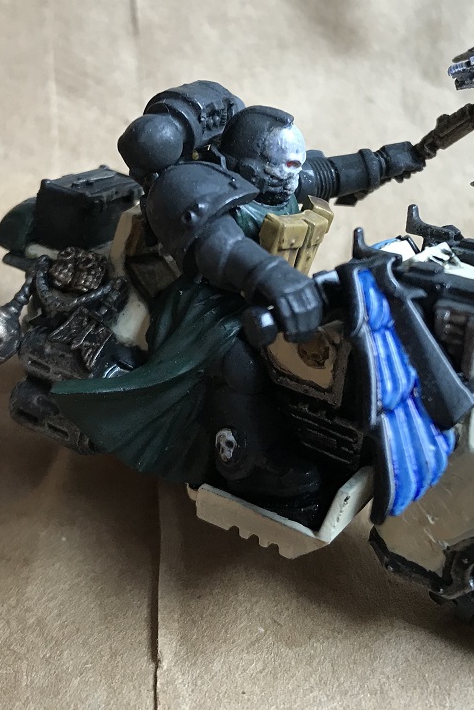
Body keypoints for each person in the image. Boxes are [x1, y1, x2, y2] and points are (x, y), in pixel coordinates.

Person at [53, 82, 435, 510]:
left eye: (294, 165)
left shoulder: (284, 183)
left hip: (274, 294)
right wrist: (271, 275)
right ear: (244, 164)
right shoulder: (189, 186)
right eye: (281, 166)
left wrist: (396, 157)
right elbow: (220, 246)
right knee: (242, 362)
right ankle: (242, 459)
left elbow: (334, 173)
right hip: (208, 305)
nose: (291, 175)